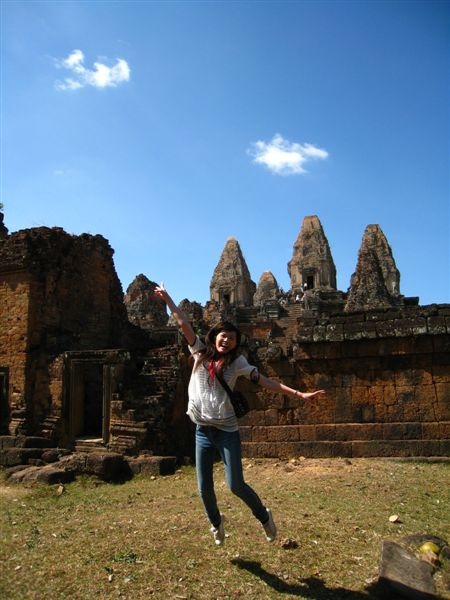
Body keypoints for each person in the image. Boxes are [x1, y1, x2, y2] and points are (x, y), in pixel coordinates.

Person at [154, 284, 326, 547]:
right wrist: (167, 298)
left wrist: (298, 394)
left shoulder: (238, 363)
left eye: (232, 338)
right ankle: (216, 523)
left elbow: (265, 381)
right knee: (204, 488)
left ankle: (263, 516)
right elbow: (183, 324)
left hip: (226, 431)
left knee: (235, 485)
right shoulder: (199, 352)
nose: (226, 341)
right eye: (223, 336)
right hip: (202, 431)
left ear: (235, 343)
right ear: (215, 337)